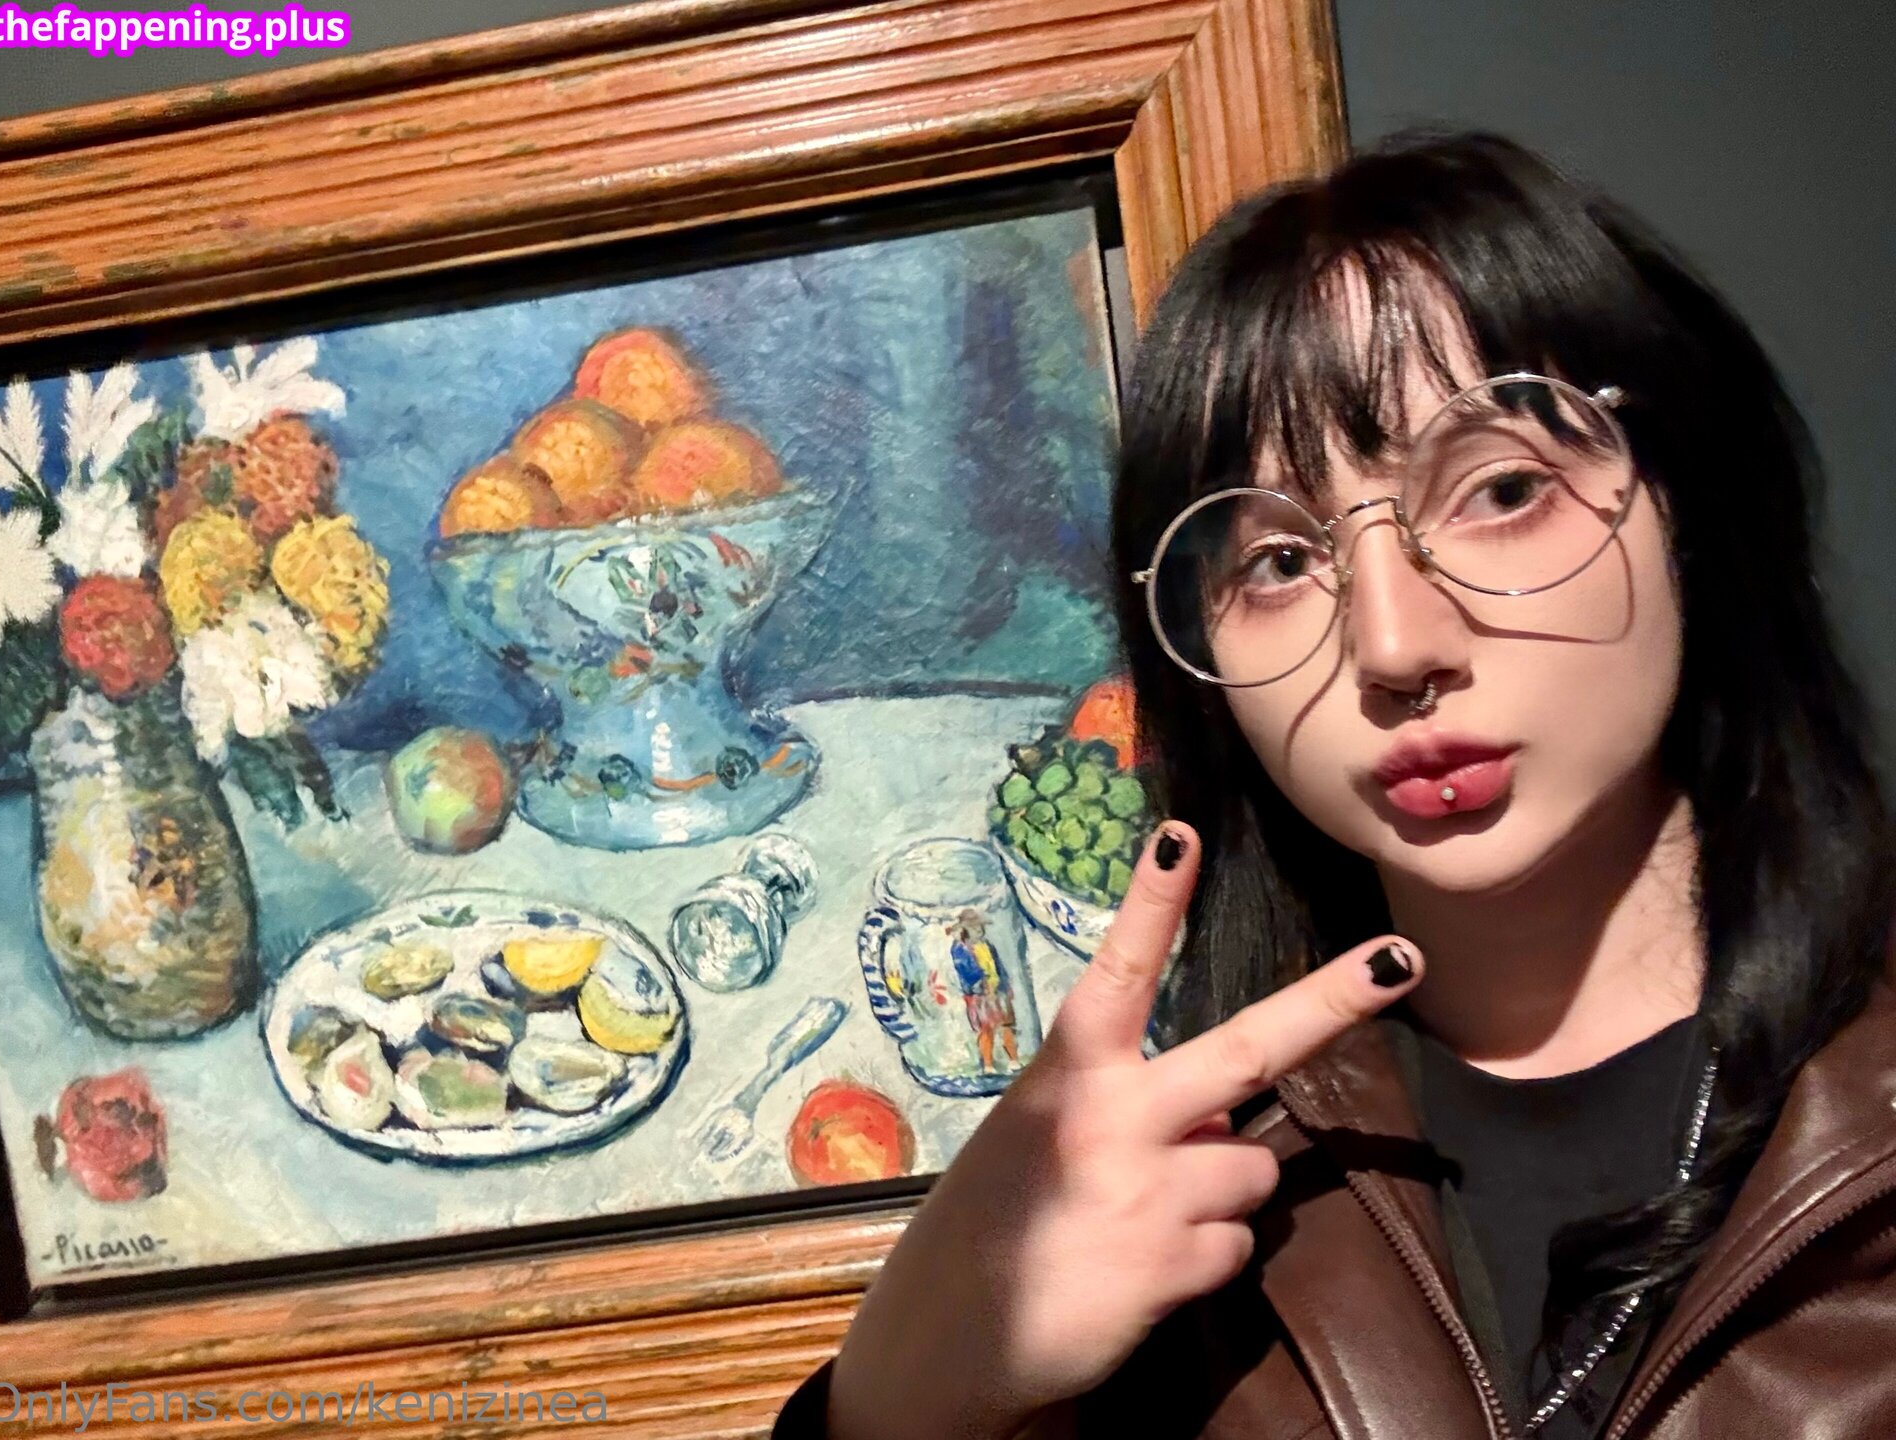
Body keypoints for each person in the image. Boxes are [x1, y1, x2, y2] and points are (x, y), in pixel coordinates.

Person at [771, 131, 1896, 1439]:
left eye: (1501, 490)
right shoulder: (1192, 1224)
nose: (1396, 645)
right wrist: (893, 1391)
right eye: (1278, 563)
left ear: (1684, 499)